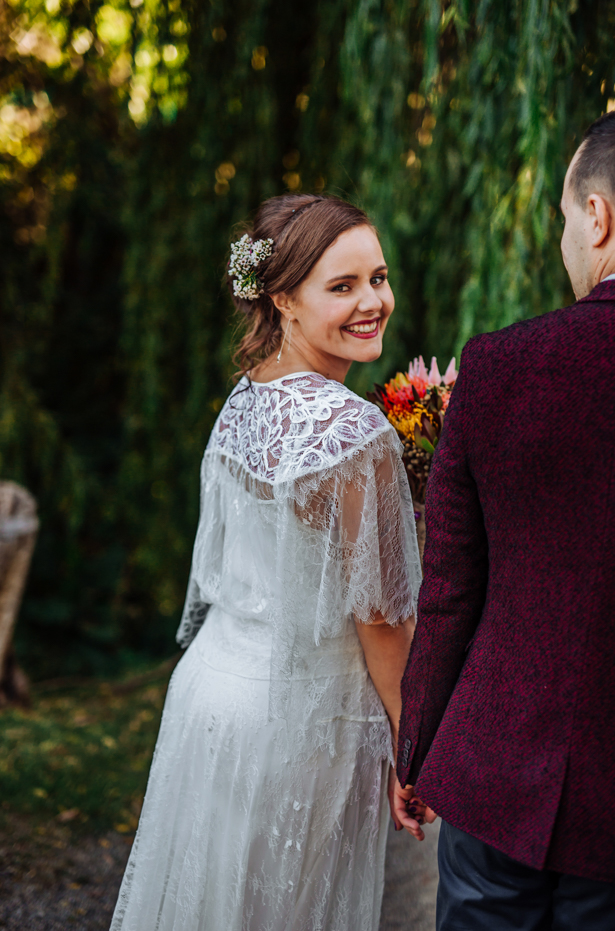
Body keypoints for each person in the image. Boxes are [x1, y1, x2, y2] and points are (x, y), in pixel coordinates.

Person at [110, 194, 423, 931]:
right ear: (282, 297)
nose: (372, 301)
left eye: (377, 278)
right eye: (341, 286)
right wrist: (415, 745)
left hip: (212, 697)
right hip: (303, 719)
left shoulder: (247, 397)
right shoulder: (353, 431)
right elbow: (379, 615)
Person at [395, 109, 615, 929]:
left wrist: (414, 748)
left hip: (497, 765)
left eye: (565, 218)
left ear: (597, 217)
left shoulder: (499, 366)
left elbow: (450, 591)